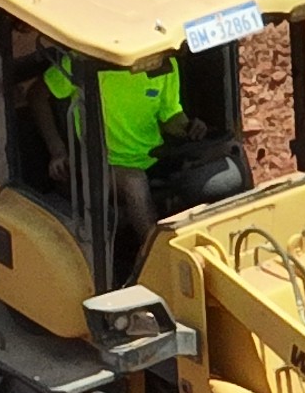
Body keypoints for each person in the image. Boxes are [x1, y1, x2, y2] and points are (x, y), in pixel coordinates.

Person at [30, 50, 205, 263]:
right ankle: (158, 261)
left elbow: (169, 115)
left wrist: (188, 127)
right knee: (135, 182)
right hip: (99, 165)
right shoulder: (84, 59)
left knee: (221, 156)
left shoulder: (163, 62)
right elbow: (36, 95)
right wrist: (57, 151)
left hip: (153, 156)